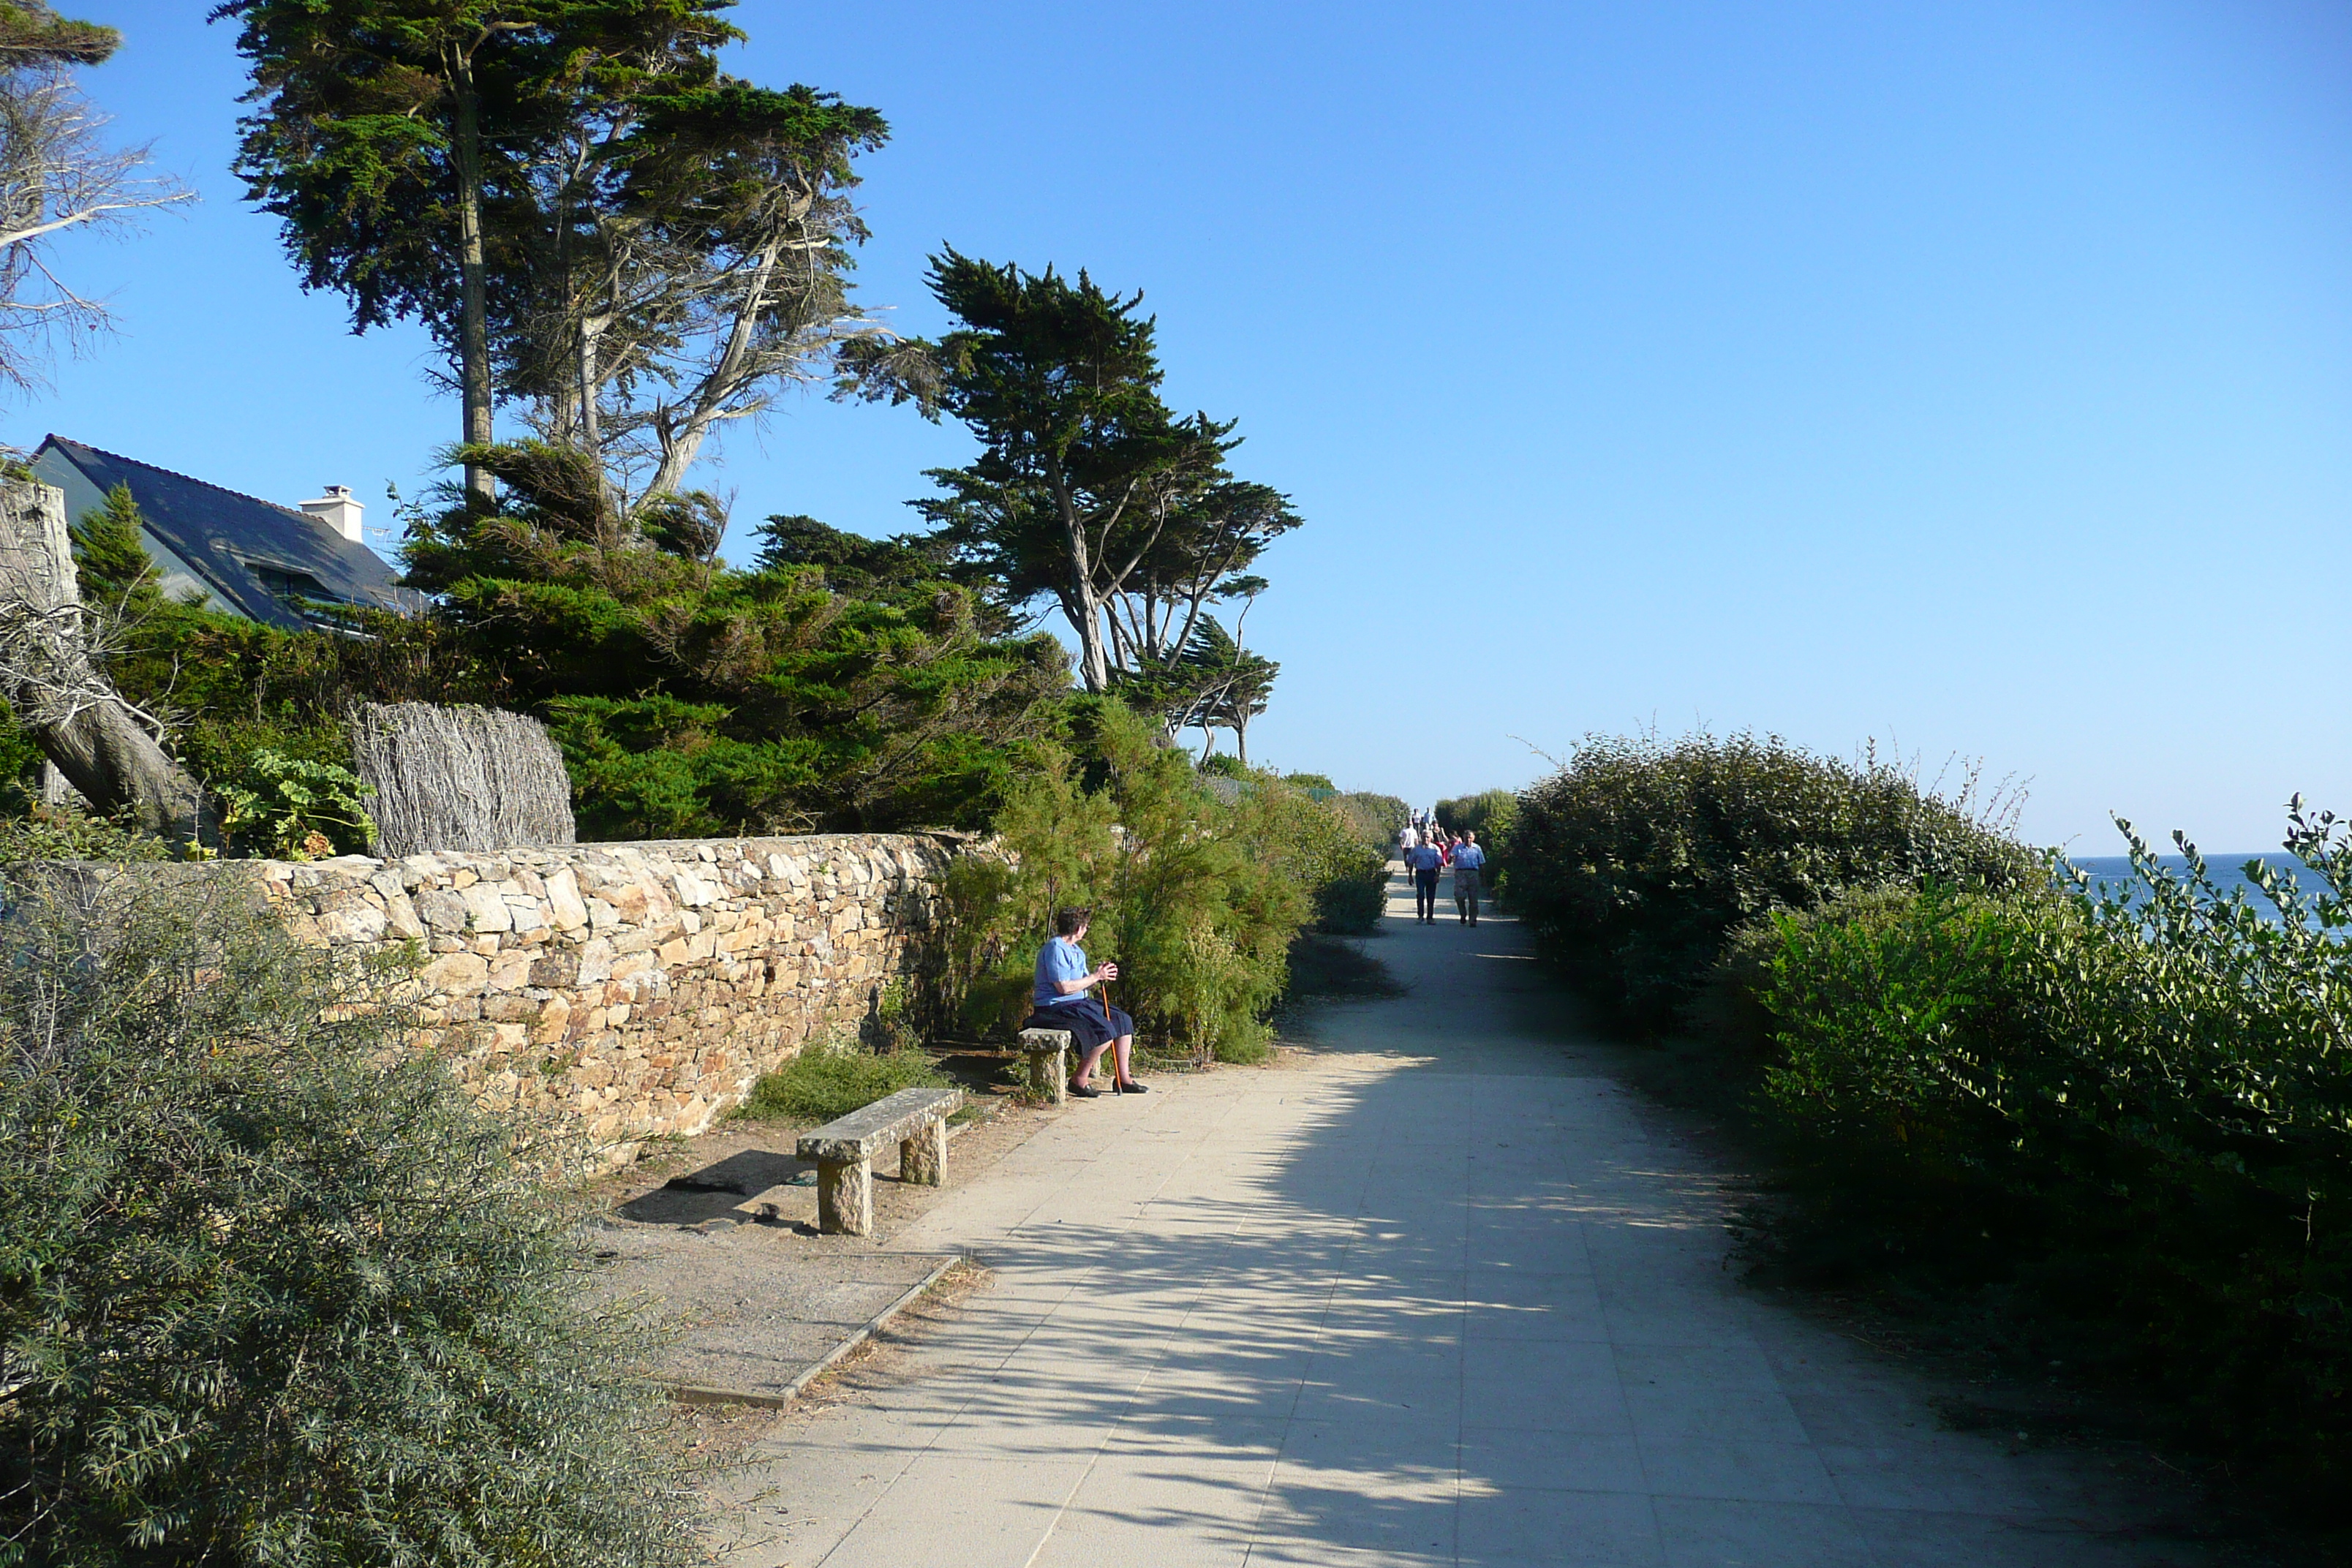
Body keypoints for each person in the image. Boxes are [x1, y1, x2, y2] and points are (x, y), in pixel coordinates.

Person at [1024, 907, 1145, 1098]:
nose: (1086, 930)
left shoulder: (1077, 951)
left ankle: (1124, 1078)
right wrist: (1096, 976)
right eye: (1085, 926)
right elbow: (1063, 988)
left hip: (1079, 1002)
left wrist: (1099, 976)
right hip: (1055, 1006)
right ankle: (1079, 1079)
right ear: (1078, 928)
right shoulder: (1055, 948)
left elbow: (1084, 982)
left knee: (1123, 1021)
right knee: (1105, 1031)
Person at [1404, 836, 1444, 924]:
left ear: (1431, 839)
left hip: (1431, 873)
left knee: (1431, 896)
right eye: (1424, 837)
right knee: (1420, 894)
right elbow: (1411, 862)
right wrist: (1410, 875)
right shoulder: (1416, 849)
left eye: (1428, 837)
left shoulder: (1435, 849)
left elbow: (1439, 863)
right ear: (1421, 838)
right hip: (1420, 874)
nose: (1425, 839)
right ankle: (1420, 916)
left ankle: (1430, 917)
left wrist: (1438, 875)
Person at [1452, 830, 1488, 926]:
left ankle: (1473, 919)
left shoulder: (1477, 848)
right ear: (1463, 838)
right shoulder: (1458, 848)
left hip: (1473, 873)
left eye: (1470, 837)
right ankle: (1463, 914)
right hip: (1461, 873)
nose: (1468, 840)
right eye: (1466, 837)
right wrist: (1451, 858)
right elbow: (1451, 857)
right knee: (1459, 896)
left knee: (1473, 898)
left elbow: (1482, 863)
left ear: (1473, 838)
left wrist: (1483, 877)